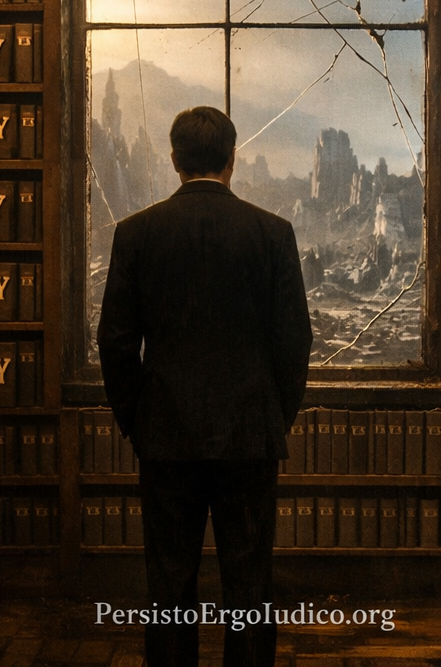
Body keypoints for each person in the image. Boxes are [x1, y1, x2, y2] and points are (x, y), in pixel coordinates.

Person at [98, 106, 314, 667]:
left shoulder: (135, 234)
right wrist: (274, 416)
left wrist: (138, 420)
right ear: (232, 159)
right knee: (249, 585)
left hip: (166, 436)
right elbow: (294, 342)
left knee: (168, 587)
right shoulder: (274, 233)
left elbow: (116, 343)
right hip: (249, 436)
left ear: (174, 160)